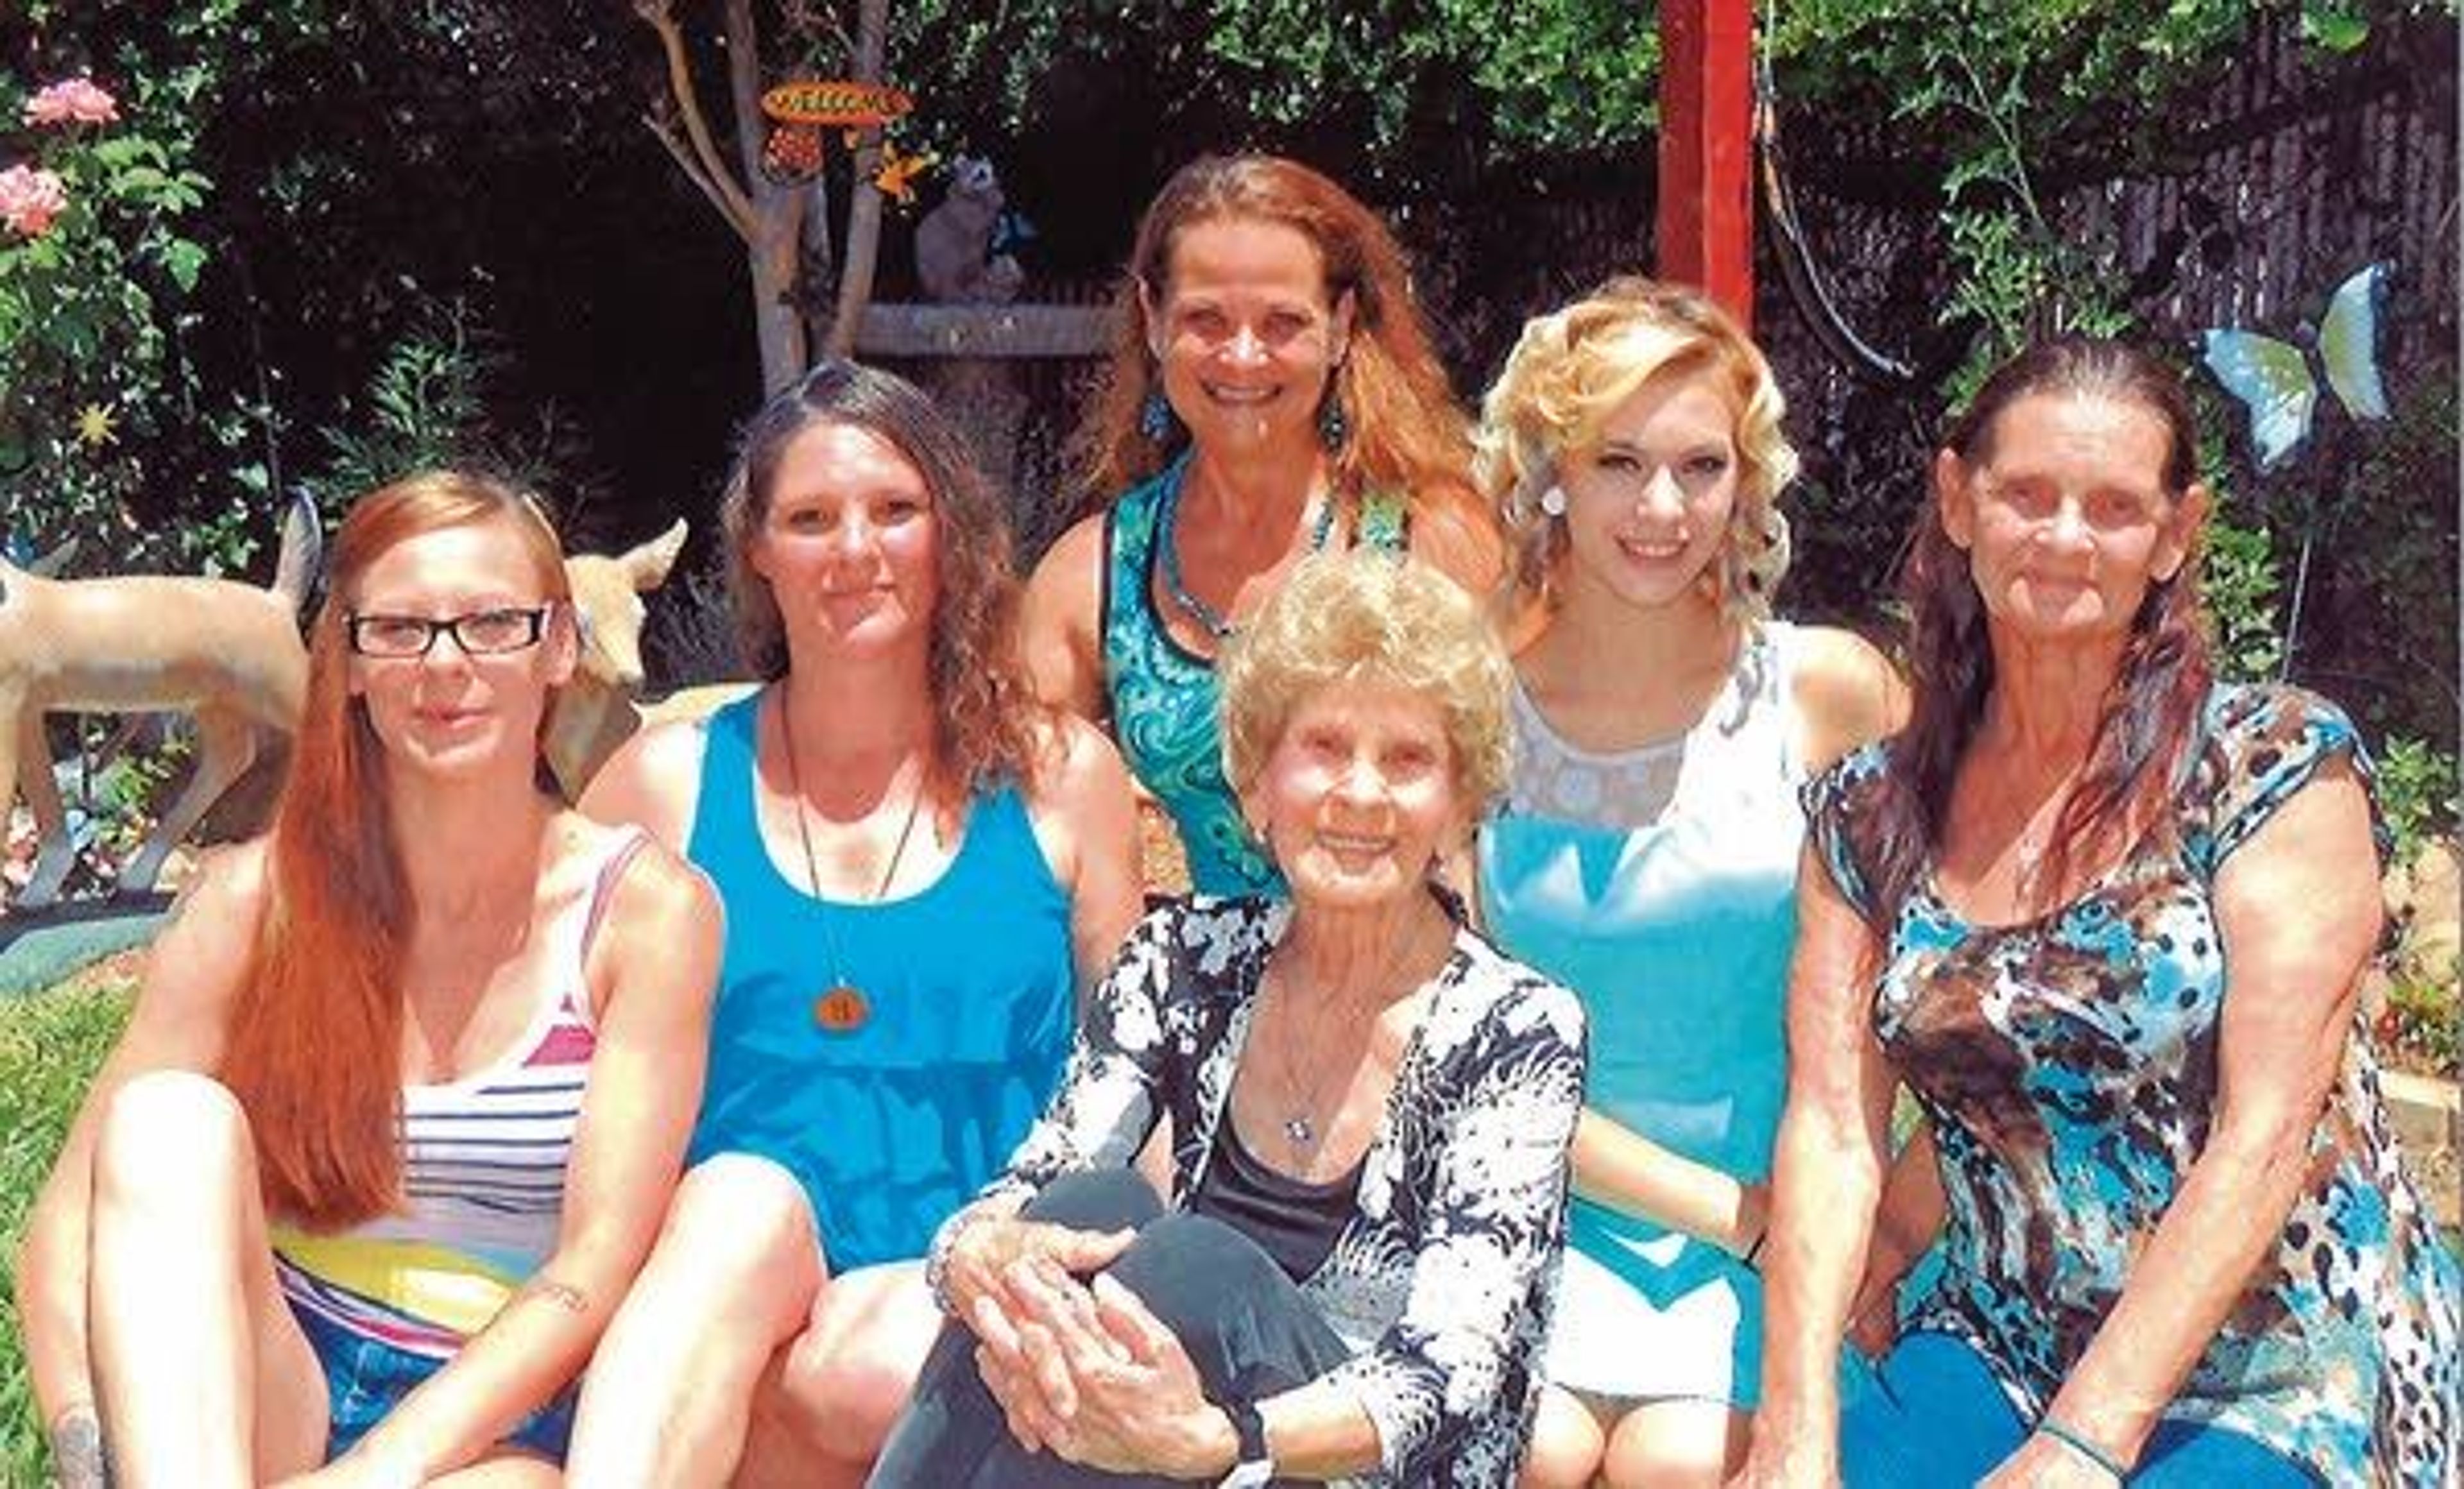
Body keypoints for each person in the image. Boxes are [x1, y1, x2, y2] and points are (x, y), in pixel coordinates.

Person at [1741, 337, 2461, 1488]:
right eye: (2027, 494)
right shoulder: (1864, 813)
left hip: (2277, 1366)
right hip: (2007, 1338)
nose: (2066, 537)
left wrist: (2083, 1445)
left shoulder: (2271, 768)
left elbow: (2266, 1134)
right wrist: (1795, 1425)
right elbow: (1833, 1131)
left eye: (2115, 507)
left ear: (2176, 534)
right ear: (1958, 499)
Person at [12, 473, 721, 1488]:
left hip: (498, 1417)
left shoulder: (647, 914)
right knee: (165, 1122)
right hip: (274, 1373)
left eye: (492, 624)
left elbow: (593, 1268)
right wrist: (89, 1438)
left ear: (560, 647)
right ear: (346, 662)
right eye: (398, 629)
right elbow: (71, 1218)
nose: (445, 667)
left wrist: (371, 1473)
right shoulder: (258, 898)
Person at [872, 550, 1589, 1488]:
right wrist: (978, 1254)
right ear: (1258, 786)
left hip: (1365, 1461)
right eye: (1324, 748)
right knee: (1080, 1218)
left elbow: (1452, 1373)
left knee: (1191, 1267)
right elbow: (1043, 1174)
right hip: (1171, 1432)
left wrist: (1221, 1440)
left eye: (1408, 759)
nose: (1361, 794)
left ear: (1459, 804)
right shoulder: (1185, 959)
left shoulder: (1519, 1029)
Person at [563, 359, 1144, 1487]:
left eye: (894, 511)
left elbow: (1137, 1069)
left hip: (969, 1288)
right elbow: (546, 1036)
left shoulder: (1061, 777)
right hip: (725, 1298)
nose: (856, 550)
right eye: (812, 519)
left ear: (951, 536)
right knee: (736, 1198)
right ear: (760, 557)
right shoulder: (669, 783)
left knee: (868, 1362)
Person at [1468, 279, 1904, 1488]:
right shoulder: (1468, 709)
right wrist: (1729, 1209)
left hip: (1780, 1232)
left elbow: (1944, 986)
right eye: (1618, 462)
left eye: (1700, 467)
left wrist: (1833, 1222)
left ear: (1745, 482)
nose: (1661, 508)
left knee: (1677, 1461)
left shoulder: (1829, 694)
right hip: (1535, 1211)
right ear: (1550, 468)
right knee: (1534, 1450)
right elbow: (1453, 1043)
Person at [1023, 151, 1503, 897]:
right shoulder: (1095, 574)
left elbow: (1523, 799)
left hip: (1410, 994)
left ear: (1341, 326)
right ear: (1152, 322)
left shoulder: (1434, 540)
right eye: (1205, 320)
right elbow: (1010, 821)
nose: (1242, 357)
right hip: (1208, 997)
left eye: (1282, 323)